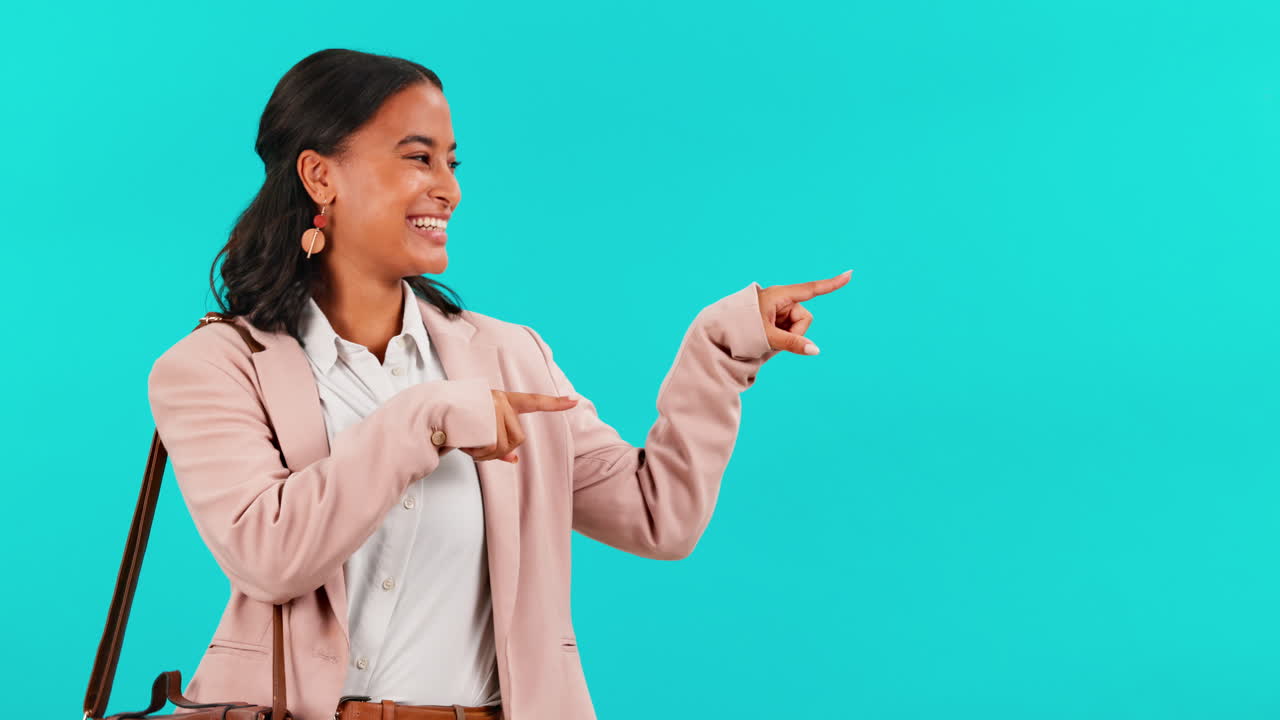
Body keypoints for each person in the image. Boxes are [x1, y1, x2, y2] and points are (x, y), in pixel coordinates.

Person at [146, 47, 850, 720]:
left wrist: (719, 350)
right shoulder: (213, 368)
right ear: (320, 176)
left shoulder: (511, 356)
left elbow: (656, 515)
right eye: (417, 157)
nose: (448, 188)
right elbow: (270, 558)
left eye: (451, 163)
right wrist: (428, 419)